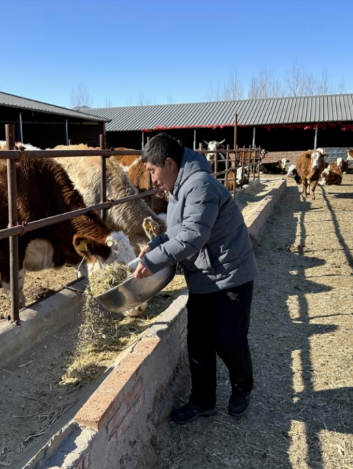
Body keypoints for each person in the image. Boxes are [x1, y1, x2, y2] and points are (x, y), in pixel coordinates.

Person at [133, 133, 257, 424]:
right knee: (198, 343)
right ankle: (203, 400)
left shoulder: (201, 185)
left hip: (230, 276)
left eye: (152, 171)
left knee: (229, 342)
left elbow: (193, 235)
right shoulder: (179, 188)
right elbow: (180, 228)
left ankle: (243, 388)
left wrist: (153, 261)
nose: (152, 179)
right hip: (203, 275)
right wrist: (156, 243)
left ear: (169, 163)